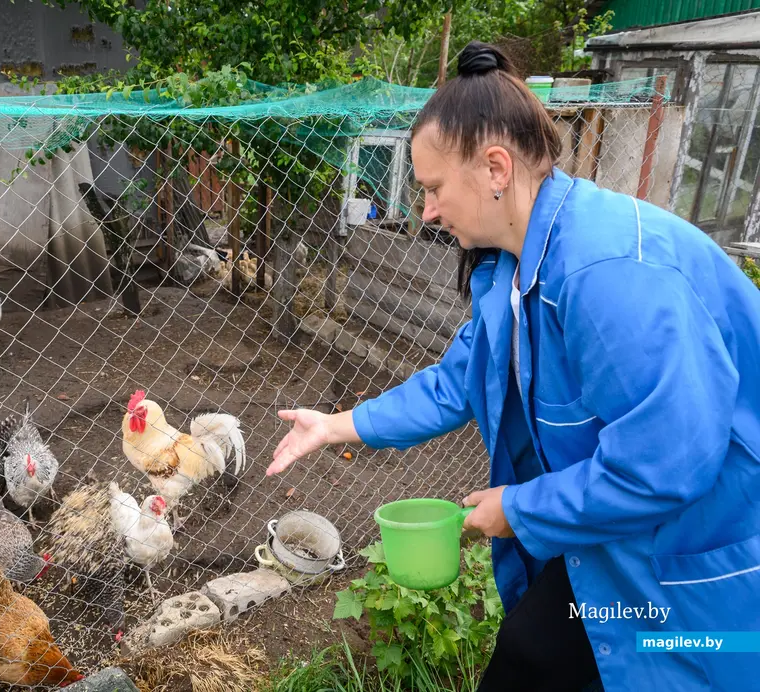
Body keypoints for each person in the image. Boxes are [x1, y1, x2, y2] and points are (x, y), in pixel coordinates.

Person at [266, 40, 760, 691]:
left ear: (496, 167)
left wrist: (522, 511)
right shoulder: (512, 271)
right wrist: (337, 426)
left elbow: (660, 470)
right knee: (527, 660)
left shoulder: (610, 276)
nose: (428, 211)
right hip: (608, 541)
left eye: (434, 188)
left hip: (693, 561)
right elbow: (454, 382)